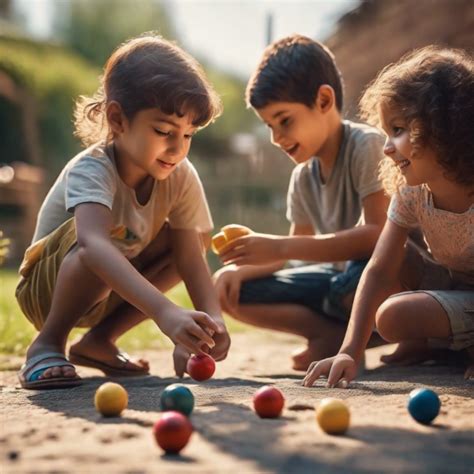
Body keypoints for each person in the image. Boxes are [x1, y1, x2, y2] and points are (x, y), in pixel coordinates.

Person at [16, 34, 230, 389]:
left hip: (108, 291)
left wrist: (211, 323)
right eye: (163, 130)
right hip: (48, 292)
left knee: (186, 240)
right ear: (117, 118)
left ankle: (99, 341)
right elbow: (93, 248)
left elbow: (191, 259)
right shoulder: (93, 169)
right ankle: (47, 344)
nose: (178, 148)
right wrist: (165, 313)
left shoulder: (180, 178)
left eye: (189, 134)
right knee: (97, 245)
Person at [213, 35, 388, 370]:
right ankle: (328, 335)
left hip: (380, 279)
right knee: (232, 292)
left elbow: (378, 236)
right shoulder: (303, 177)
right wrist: (241, 268)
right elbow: (297, 252)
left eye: (285, 120)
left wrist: (280, 247)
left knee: (354, 281)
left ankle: (403, 336)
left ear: (323, 100)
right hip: (337, 285)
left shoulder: (366, 147)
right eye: (269, 125)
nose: (276, 138)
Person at [304, 46, 474, 387]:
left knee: (397, 313)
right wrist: (349, 350)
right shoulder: (412, 194)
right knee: (392, 315)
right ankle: (447, 346)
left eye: (397, 129)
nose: (386, 147)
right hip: (457, 288)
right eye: (385, 132)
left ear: (444, 125)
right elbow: (379, 270)